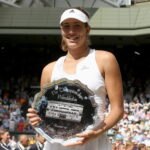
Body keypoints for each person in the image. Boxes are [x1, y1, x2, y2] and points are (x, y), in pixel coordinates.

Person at [27, 7, 124, 150]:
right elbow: (46, 114)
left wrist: (95, 133)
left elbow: (118, 109)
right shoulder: (49, 70)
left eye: (77, 26)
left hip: (94, 144)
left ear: (87, 29)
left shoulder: (105, 59)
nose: (71, 31)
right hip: (56, 146)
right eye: (66, 26)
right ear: (61, 30)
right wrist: (37, 119)